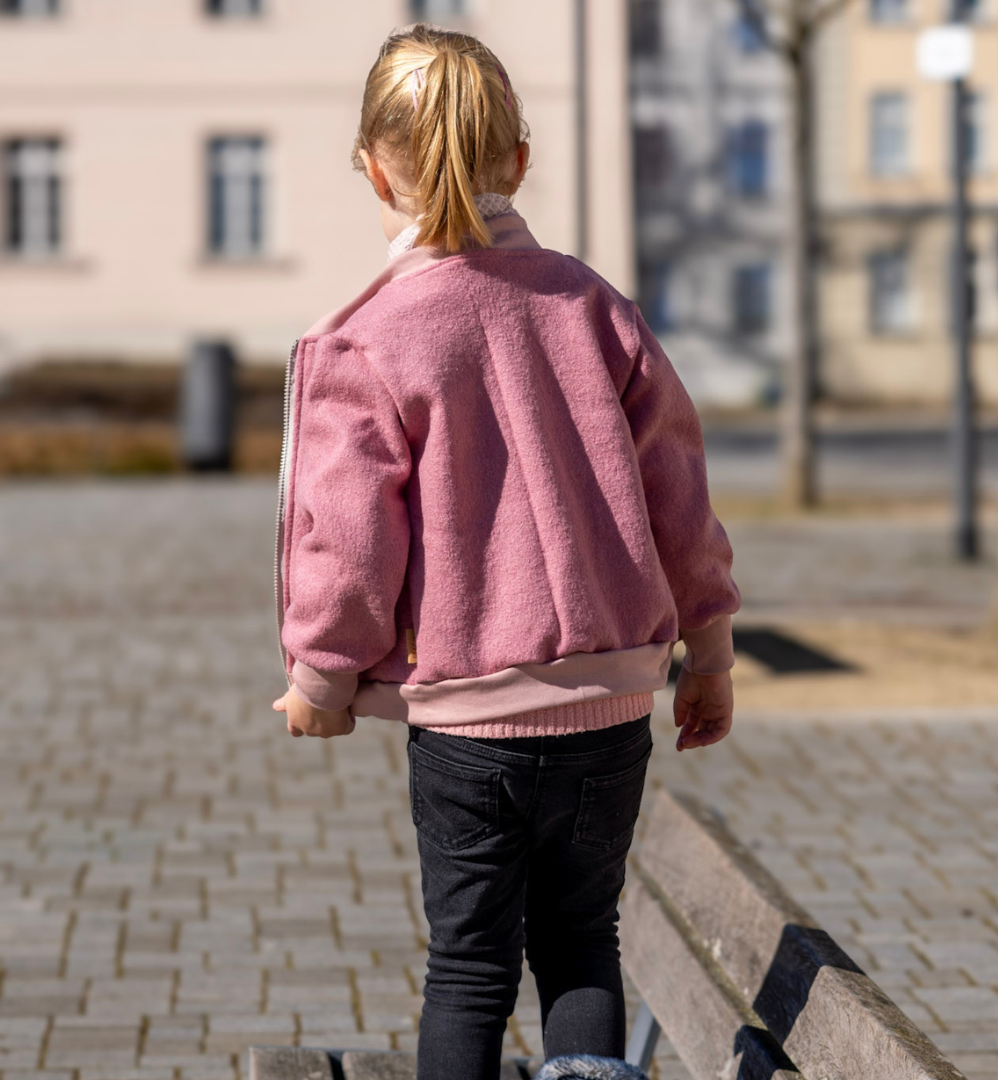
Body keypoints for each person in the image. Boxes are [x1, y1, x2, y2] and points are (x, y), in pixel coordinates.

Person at [271, 22, 740, 1080]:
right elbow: (678, 493)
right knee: (582, 944)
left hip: (469, 720)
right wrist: (707, 651)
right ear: (519, 160)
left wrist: (323, 678)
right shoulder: (592, 306)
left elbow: (352, 542)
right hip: (610, 706)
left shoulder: (371, 335)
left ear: (372, 169)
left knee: (470, 966)